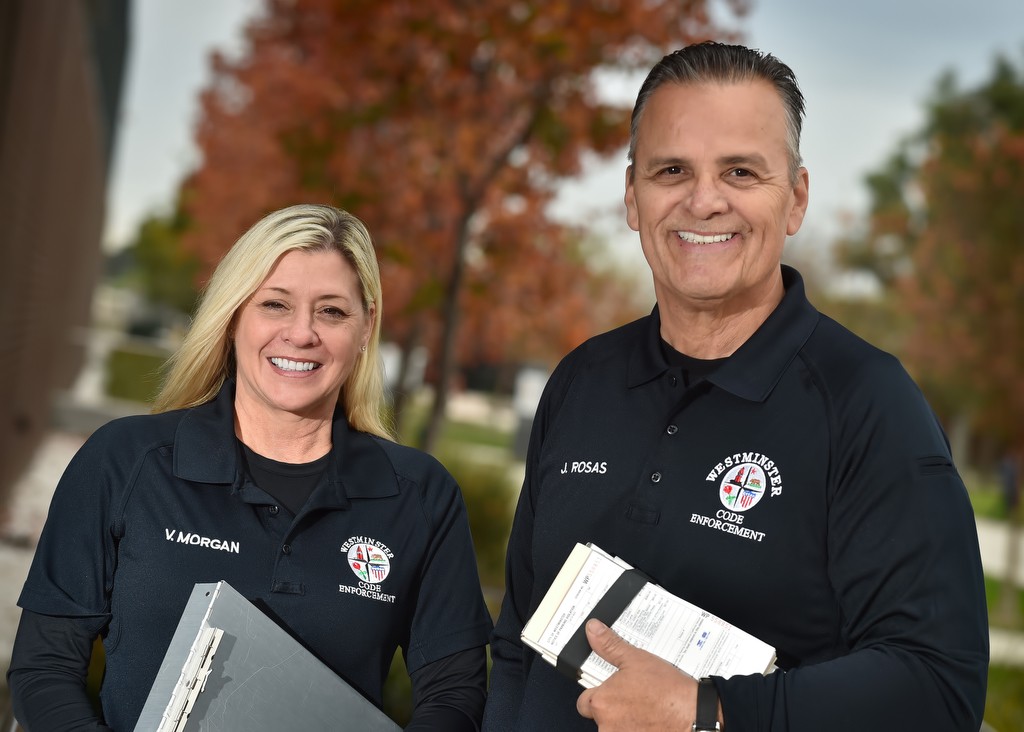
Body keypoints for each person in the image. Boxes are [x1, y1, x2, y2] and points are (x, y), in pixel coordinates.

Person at [483, 42, 988, 732]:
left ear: (796, 199)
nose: (704, 200)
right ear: (633, 196)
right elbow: (517, 643)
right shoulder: (582, 380)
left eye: (741, 172)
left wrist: (712, 712)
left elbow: (939, 687)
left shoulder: (868, 404)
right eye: (671, 170)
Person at [7, 204, 493, 731]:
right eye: (275, 304)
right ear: (234, 314)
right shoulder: (124, 462)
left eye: (331, 311)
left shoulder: (419, 496)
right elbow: (45, 668)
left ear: (365, 328)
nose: (301, 333)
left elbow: (454, 696)